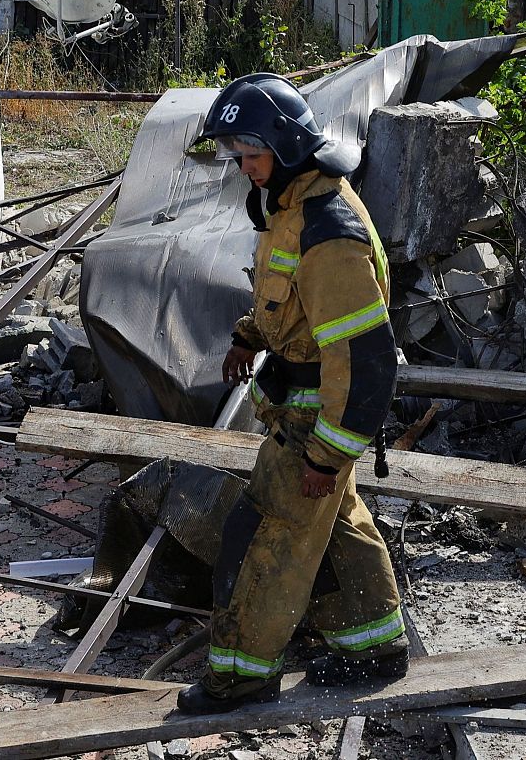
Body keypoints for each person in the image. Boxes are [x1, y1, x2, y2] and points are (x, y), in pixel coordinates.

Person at [175, 73, 408, 715]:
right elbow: (289, 299)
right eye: (236, 156)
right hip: (298, 402)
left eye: (250, 155)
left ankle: (241, 675)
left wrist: (324, 457)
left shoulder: (328, 232)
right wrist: (250, 336)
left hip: (314, 419)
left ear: (284, 145)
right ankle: (373, 645)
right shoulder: (291, 206)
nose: (243, 169)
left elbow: (364, 361)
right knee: (339, 525)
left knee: (266, 536)